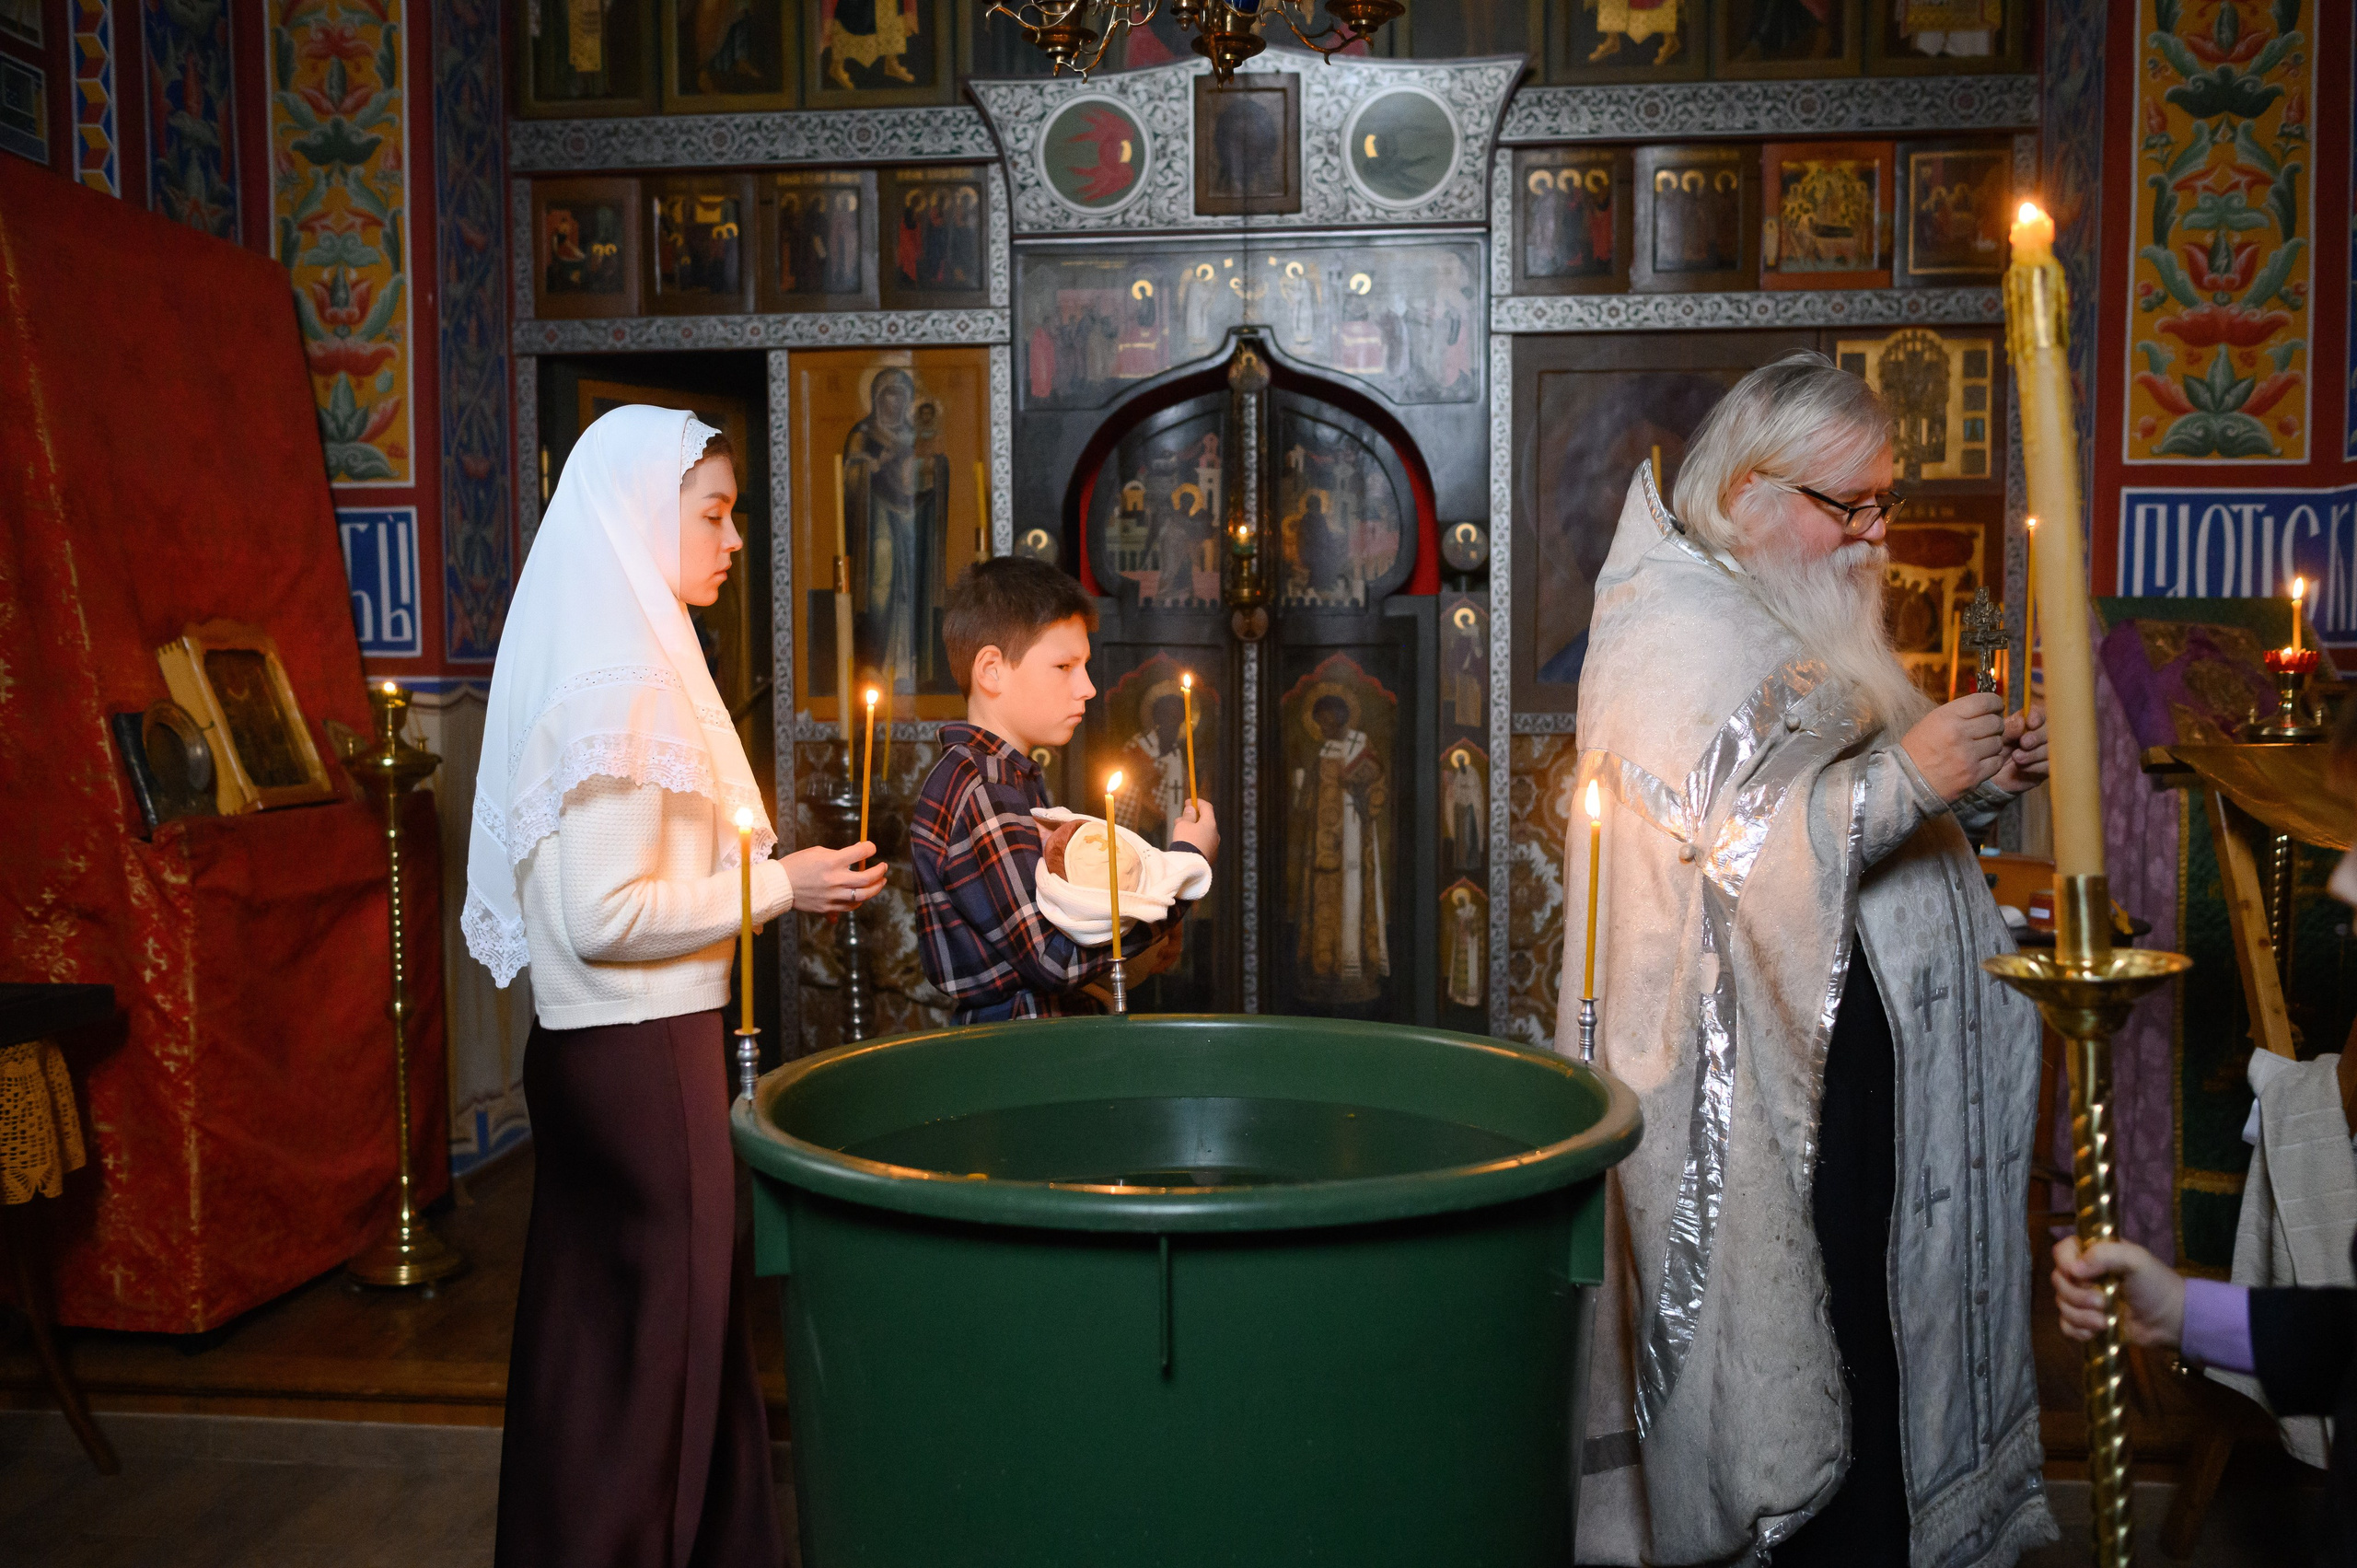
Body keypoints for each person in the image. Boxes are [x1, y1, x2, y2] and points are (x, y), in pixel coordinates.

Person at [1562, 351, 2055, 1566]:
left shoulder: (1778, 605)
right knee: (1825, 1378)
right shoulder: (1675, 636)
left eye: (1888, 501)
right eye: (1853, 505)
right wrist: (1908, 777)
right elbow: (1731, 864)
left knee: (1886, 1350)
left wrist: (1964, 793)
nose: (1876, 534)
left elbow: (1840, 811)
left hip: (1852, 1084)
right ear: (1748, 491)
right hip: (1766, 1111)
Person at [465, 405, 884, 1568]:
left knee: (611, 1350)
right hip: (641, 1057)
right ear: (641, 514)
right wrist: (777, 886)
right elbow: (601, 919)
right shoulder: (617, 682)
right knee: (663, 1356)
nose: (733, 537)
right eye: (714, 512)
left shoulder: (619, 648)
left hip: (607, 1056)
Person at [910, 557, 1217, 1022]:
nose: (1088, 688)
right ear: (991, 670)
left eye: (1085, 666)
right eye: (1064, 666)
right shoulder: (984, 789)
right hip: (1020, 1054)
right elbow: (1052, 960)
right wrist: (1185, 872)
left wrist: (1143, 944)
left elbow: (1059, 936)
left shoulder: (1009, 779)